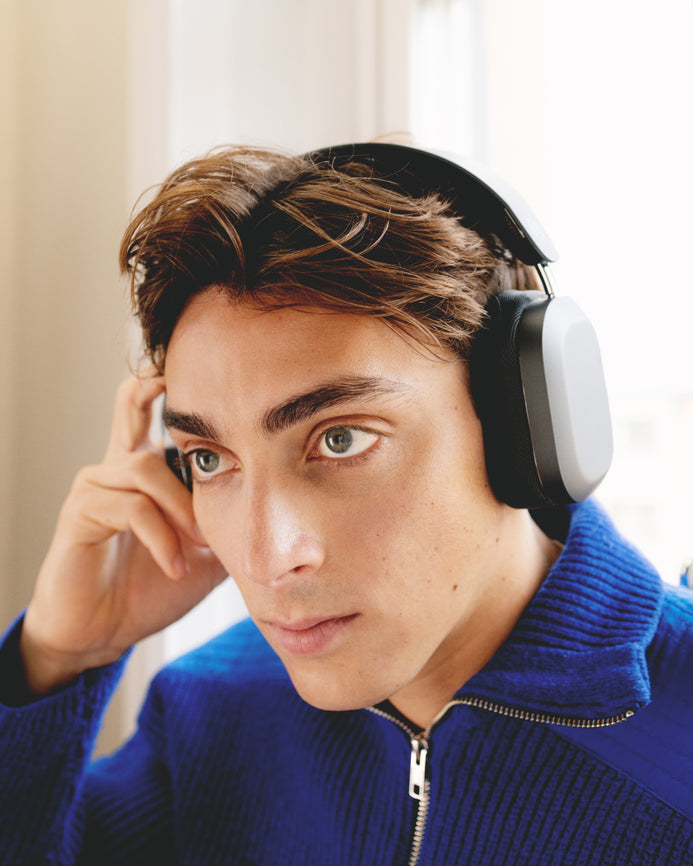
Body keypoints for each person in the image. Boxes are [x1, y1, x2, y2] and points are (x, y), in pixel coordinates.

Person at [0, 142, 691, 866]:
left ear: (521, 426)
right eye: (209, 459)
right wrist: (57, 656)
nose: (266, 558)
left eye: (340, 440)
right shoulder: (207, 715)